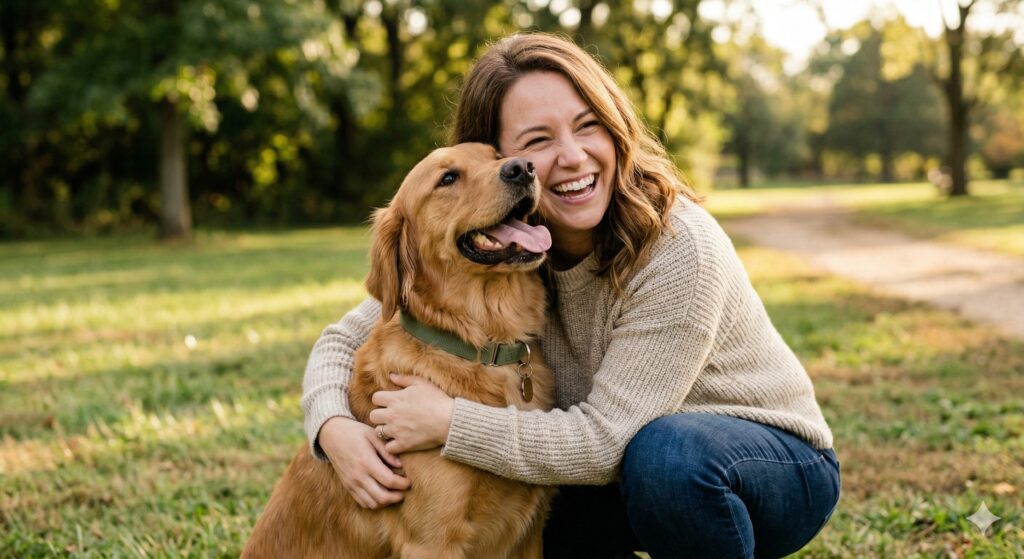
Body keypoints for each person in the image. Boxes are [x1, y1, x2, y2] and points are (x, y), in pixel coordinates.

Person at [301, 33, 840, 559]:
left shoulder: (681, 250)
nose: (573, 156)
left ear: (616, 129)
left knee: (665, 455)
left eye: (588, 127)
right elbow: (347, 336)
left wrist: (448, 422)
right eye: (536, 141)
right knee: (543, 484)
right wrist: (333, 429)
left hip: (764, 463)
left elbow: (605, 443)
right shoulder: (512, 249)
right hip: (617, 466)